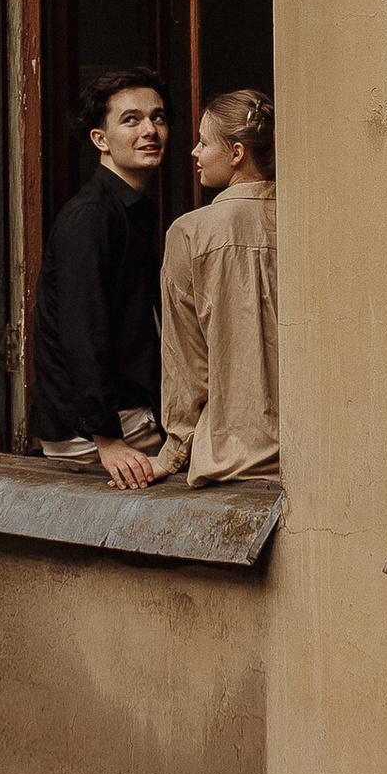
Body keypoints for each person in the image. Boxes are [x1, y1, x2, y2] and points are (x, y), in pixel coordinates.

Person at [29, 69, 171, 489]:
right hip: (96, 431)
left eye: (158, 117)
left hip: (124, 415)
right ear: (100, 140)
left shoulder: (131, 210)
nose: (150, 130)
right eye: (131, 120)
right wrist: (108, 439)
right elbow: (81, 333)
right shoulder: (91, 217)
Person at [158, 87, 278, 485]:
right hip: (310, 457)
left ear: (237, 153)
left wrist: (174, 452)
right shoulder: (309, 222)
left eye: (204, 142)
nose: (194, 152)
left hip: (230, 456)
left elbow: (185, 361)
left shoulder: (189, 233)